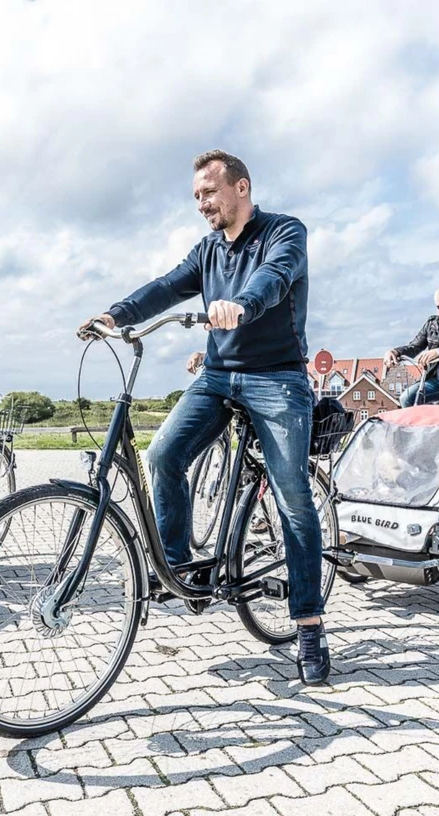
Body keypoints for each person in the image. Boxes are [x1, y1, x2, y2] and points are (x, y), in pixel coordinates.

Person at [78, 150, 330, 685]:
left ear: (241, 188)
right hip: (218, 375)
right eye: (196, 196)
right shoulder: (208, 249)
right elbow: (168, 285)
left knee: (292, 496)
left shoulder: (283, 231)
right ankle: (179, 568)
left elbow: (275, 277)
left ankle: (309, 623)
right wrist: (115, 315)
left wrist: (242, 304)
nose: (202, 203)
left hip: (277, 378)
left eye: (209, 192)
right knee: (162, 455)